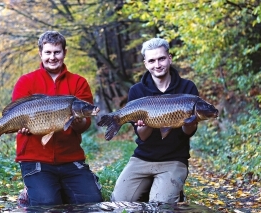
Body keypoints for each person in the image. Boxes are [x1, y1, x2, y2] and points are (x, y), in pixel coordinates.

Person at [13, 30, 103, 207]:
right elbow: (16, 115)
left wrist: (77, 121)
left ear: (64, 53)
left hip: (70, 159)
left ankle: (59, 186)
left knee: (92, 204)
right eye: (48, 52)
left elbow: (84, 126)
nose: (52, 57)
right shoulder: (26, 82)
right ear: (41, 53)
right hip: (35, 159)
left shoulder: (78, 83)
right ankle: (31, 191)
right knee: (47, 204)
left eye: (57, 52)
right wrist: (20, 126)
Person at [111, 38, 199, 204]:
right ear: (145, 64)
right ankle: (150, 187)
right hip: (143, 158)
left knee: (160, 205)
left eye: (161, 59)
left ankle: (168, 190)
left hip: (174, 159)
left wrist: (190, 122)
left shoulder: (187, 89)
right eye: (151, 61)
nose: (157, 65)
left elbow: (188, 133)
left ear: (169, 58)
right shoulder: (137, 91)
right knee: (120, 202)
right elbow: (143, 136)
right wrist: (145, 125)